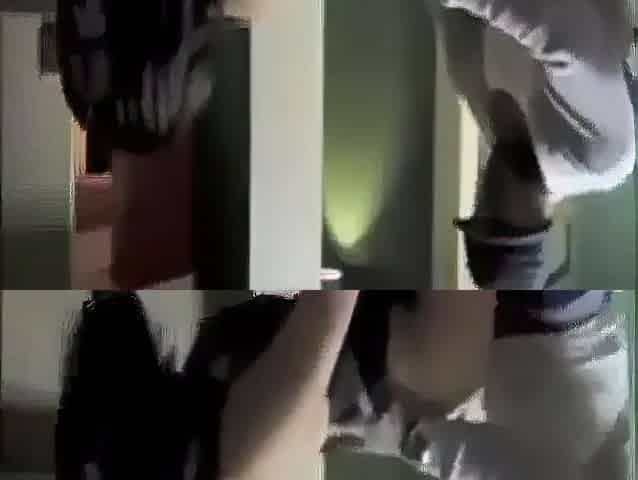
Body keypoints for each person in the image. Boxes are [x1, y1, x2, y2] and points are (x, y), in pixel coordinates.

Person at [56, 289, 631, 480]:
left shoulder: (236, 444)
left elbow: (336, 296)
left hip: (497, 352)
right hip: (517, 363)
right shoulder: (230, 432)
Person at [430, 0, 637, 288]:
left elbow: (450, 18)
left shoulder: (485, 110)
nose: (484, 204)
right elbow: (571, 36)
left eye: (477, 217)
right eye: (499, 224)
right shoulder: (598, 163)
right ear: (538, 228)